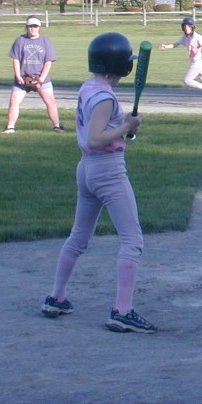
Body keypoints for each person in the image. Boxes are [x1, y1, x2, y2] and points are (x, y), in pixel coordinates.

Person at [42, 32, 157, 334]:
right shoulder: (105, 97)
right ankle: (122, 311)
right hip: (107, 171)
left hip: (87, 170)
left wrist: (125, 129)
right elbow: (96, 138)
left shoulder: (89, 87)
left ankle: (56, 297)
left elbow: (102, 132)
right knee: (132, 240)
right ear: (120, 66)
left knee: (79, 236)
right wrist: (127, 126)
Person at [3, 16, 65, 133]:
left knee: (51, 101)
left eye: (35, 26)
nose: (33, 29)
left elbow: (48, 61)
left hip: (41, 78)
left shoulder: (45, 41)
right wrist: (18, 76)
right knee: (14, 101)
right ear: (26, 27)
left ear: (39, 28)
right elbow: (16, 59)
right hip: (23, 78)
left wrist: (41, 79)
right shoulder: (20, 40)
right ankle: (10, 127)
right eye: (30, 26)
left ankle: (57, 126)